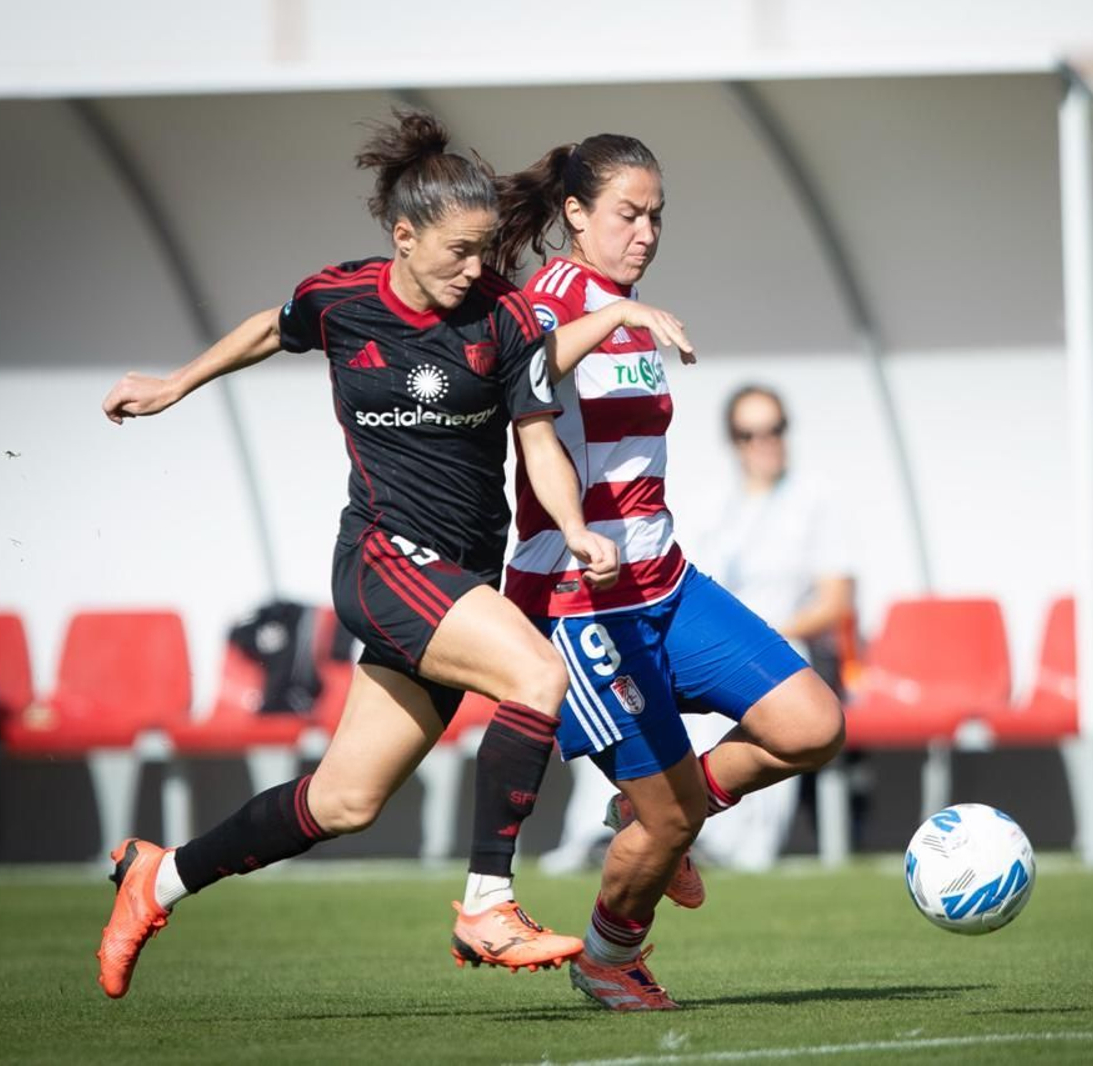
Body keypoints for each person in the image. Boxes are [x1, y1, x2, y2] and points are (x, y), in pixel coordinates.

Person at [91, 111, 672, 1000]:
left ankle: (158, 877)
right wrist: (173, 385)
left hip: (461, 577)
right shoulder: (341, 298)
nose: (475, 269)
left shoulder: (505, 317)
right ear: (404, 237)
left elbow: (537, 438)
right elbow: (270, 327)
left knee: (344, 801)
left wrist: (575, 525)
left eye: (483, 250)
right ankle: (488, 903)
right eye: (458, 251)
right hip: (382, 559)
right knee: (537, 676)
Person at [488, 134, 846, 1010]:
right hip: (579, 602)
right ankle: (609, 958)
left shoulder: (625, 304)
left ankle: (659, 813)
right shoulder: (549, 299)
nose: (646, 233)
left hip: (667, 583)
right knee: (671, 819)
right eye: (628, 214)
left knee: (813, 724)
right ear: (576, 214)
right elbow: (517, 376)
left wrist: (626, 313)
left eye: (656, 216)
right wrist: (619, 318)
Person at [678, 384, 857, 870]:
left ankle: (731, 845)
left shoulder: (816, 498)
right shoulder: (712, 506)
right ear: (733, 441)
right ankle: (628, 831)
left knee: (777, 692)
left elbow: (836, 600)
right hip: (716, 647)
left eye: (774, 429)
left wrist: (763, 636)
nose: (764, 442)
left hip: (786, 642)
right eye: (749, 433)